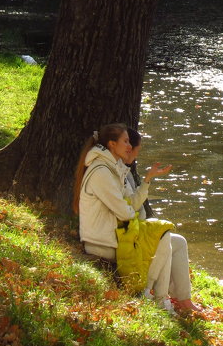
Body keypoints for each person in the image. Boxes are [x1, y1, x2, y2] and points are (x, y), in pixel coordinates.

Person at [73, 123, 199, 315]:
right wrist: (136, 221)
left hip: (118, 233)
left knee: (174, 239)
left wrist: (147, 180)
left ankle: (174, 299)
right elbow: (125, 212)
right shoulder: (101, 172)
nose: (129, 147)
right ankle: (147, 293)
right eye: (125, 141)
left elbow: (131, 204)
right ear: (112, 144)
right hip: (102, 240)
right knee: (162, 235)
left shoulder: (113, 169)